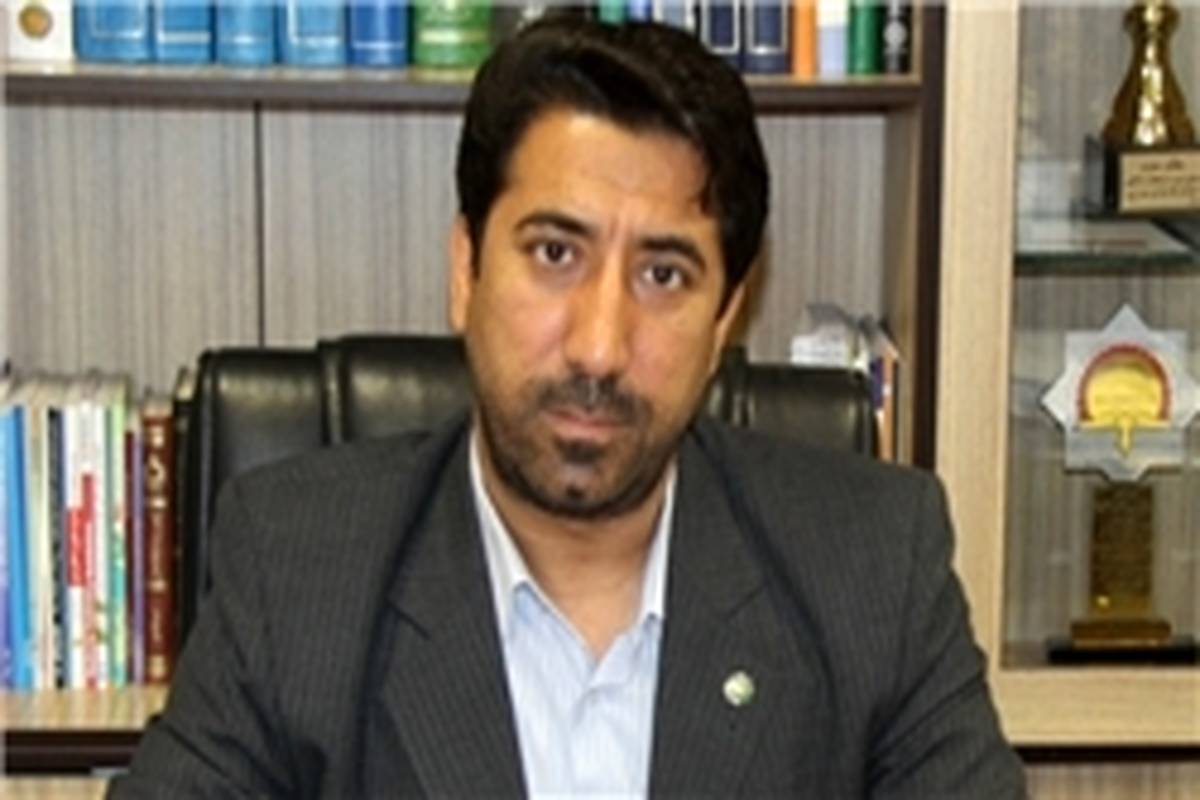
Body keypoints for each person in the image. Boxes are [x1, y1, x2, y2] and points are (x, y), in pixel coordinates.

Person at [111, 16, 1025, 799]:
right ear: (466, 270)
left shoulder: (874, 568)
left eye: (664, 275)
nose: (599, 345)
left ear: (724, 320)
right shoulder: (297, 571)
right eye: (555, 254)